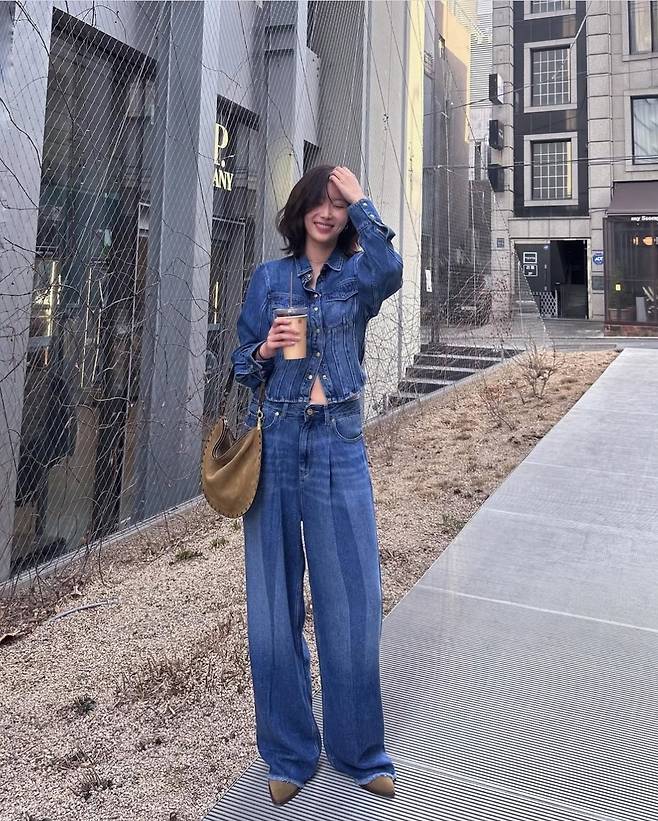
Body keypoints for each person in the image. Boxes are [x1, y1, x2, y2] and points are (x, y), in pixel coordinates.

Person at [231, 165, 403, 806]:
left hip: (338, 443)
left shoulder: (357, 277)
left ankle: (360, 753)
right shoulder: (268, 279)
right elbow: (238, 363)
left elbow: (391, 270)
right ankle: (288, 754)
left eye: (339, 204)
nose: (328, 212)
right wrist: (264, 352)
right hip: (277, 443)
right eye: (320, 201)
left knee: (352, 604)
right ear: (300, 208)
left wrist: (363, 201)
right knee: (273, 610)